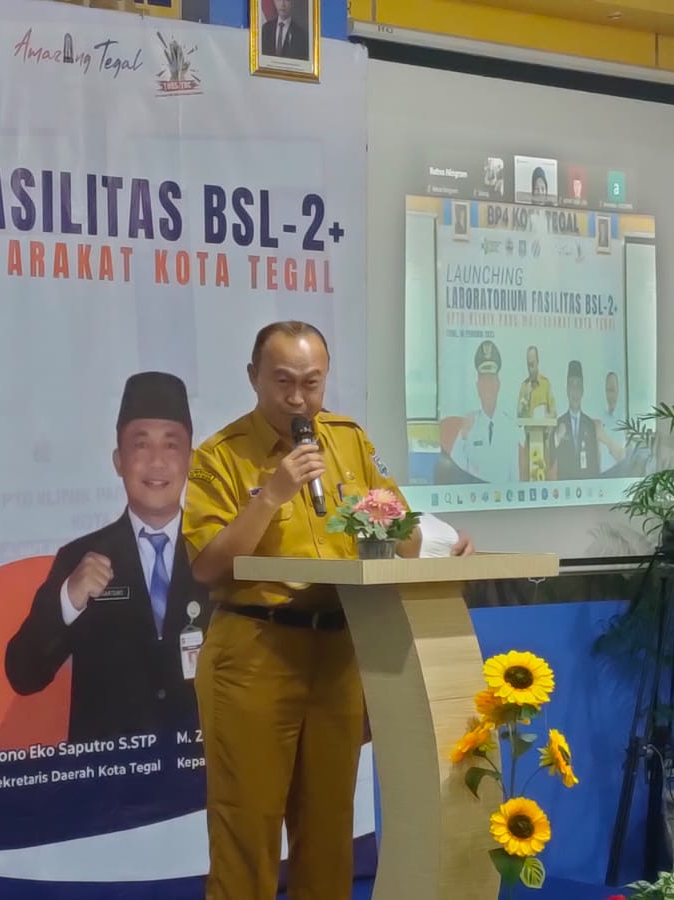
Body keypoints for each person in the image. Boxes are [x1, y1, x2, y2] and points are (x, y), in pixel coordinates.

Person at [184, 320, 473, 900]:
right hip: (255, 654)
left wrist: (442, 544)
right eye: (283, 382)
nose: (298, 399)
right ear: (253, 377)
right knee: (247, 828)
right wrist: (271, 496)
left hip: (340, 651)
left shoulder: (348, 441)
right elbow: (208, 567)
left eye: (311, 383)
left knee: (328, 830)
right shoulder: (220, 455)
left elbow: (399, 528)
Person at [5, 371, 209, 742]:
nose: (157, 462)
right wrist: (68, 600)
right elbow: (23, 674)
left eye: (171, 445)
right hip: (108, 773)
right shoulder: (80, 557)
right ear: (118, 461)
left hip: (200, 767)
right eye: (141, 445)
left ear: (191, 460)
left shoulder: (216, 555)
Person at [449, 340, 525, 484]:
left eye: (491, 381)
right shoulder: (470, 425)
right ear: (478, 386)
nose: (487, 388)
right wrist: (463, 436)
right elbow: (455, 466)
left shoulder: (510, 427)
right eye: (483, 381)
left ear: (498, 384)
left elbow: (514, 478)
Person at [552, 361, 600, 480]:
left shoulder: (589, 425)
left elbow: (594, 465)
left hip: (586, 487)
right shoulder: (559, 423)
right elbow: (549, 459)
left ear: (582, 391)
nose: (575, 391)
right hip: (565, 487)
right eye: (572, 386)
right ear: (567, 390)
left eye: (578, 386)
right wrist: (557, 438)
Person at [598, 370, 628, 474]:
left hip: (617, 475)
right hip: (600, 476)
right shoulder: (601, 417)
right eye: (608, 390)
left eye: (613, 389)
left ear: (618, 391)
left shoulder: (624, 420)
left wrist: (605, 438)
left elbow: (622, 456)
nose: (610, 394)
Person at [517, 344, 556, 419]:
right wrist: (525, 399)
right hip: (528, 427)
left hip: (542, 426)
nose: (530, 369)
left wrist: (544, 418)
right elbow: (519, 416)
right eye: (528, 365)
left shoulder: (545, 384)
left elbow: (553, 413)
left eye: (532, 364)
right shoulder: (524, 386)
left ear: (538, 362)